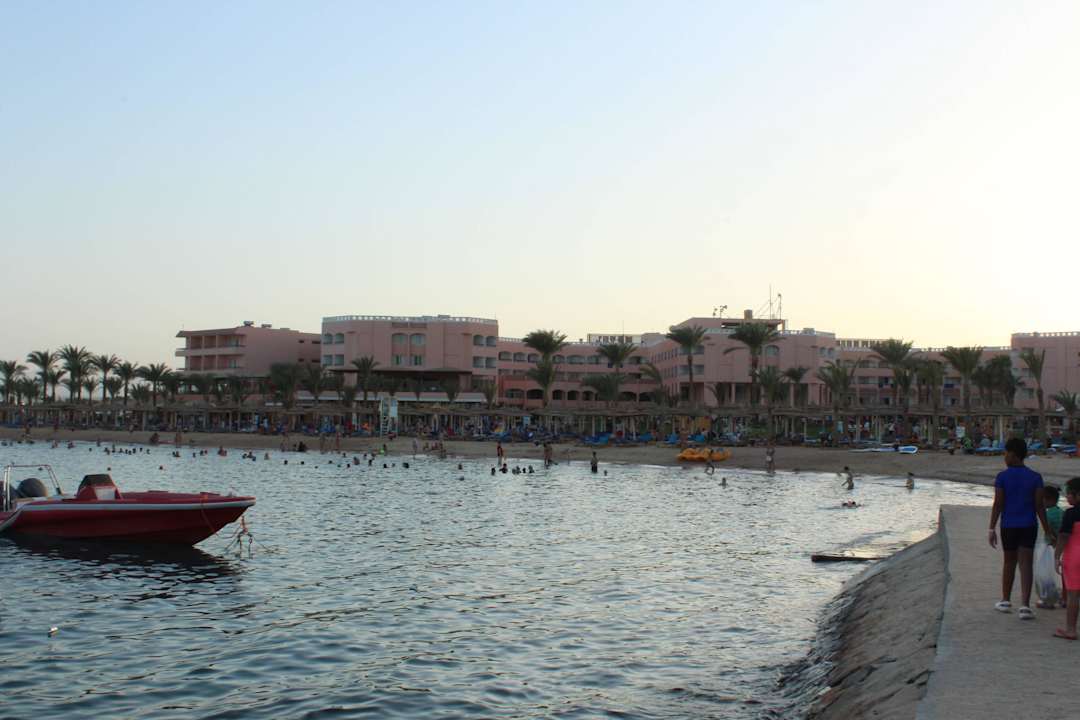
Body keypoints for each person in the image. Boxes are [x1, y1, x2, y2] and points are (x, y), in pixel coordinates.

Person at [989, 438, 1055, 619]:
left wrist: (991, 528)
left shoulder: (1002, 477)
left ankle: (1005, 600)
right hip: (1028, 525)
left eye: (1005, 453)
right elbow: (1039, 506)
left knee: (1009, 562)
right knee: (1026, 565)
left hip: (1009, 526)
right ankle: (1025, 606)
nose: (1004, 457)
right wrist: (1047, 530)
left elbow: (998, 504)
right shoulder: (1035, 477)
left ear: (1013, 454)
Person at [1053, 477, 1080, 640]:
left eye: (1069, 493)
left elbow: (1063, 536)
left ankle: (1071, 630)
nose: (1066, 496)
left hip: (1074, 556)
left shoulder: (1070, 513)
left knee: (1073, 594)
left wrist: (1057, 556)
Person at [1037, 484, 1064, 609]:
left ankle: (1048, 600)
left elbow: (1050, 531)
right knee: (1060, 575)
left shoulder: (1048, 515)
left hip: (1050, 546)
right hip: (1062, 547)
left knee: (1046, 575)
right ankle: (1063, 598)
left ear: (1048, 500)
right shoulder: (1061, 512)